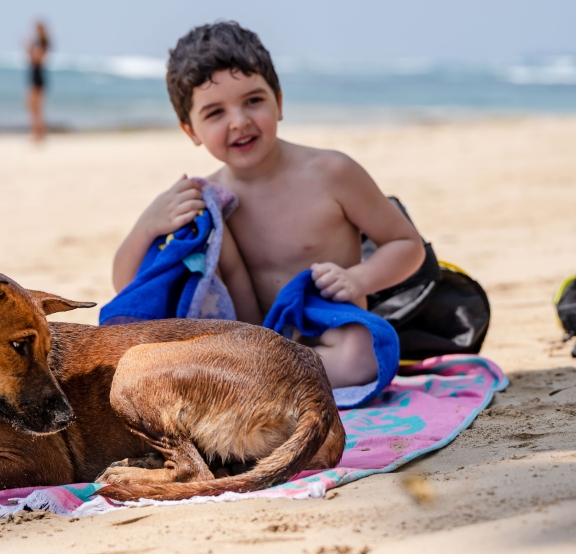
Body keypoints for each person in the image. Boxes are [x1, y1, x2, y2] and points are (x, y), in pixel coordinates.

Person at [112, 21, 425, 389]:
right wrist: (147, 225)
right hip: (251, 339)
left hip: (327, 332)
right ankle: (266, 377)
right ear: (190, 130)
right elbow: (129, 285)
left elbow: (407, 245)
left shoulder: (332, 173)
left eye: (253, 101)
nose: (239, 122)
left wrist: (357, 279)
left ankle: (262, 383)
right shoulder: (208, 200)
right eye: (215, 113)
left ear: (278, 102)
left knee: (364, 350)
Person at [26, 21, 50, 141]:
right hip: (35, 75)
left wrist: (28, 48)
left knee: (36, 108)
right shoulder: (40, 42)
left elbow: (37, 59)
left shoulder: (43, 43)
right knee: (33, 107)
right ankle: (38, 132)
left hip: (38, 76)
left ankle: (39, 133)